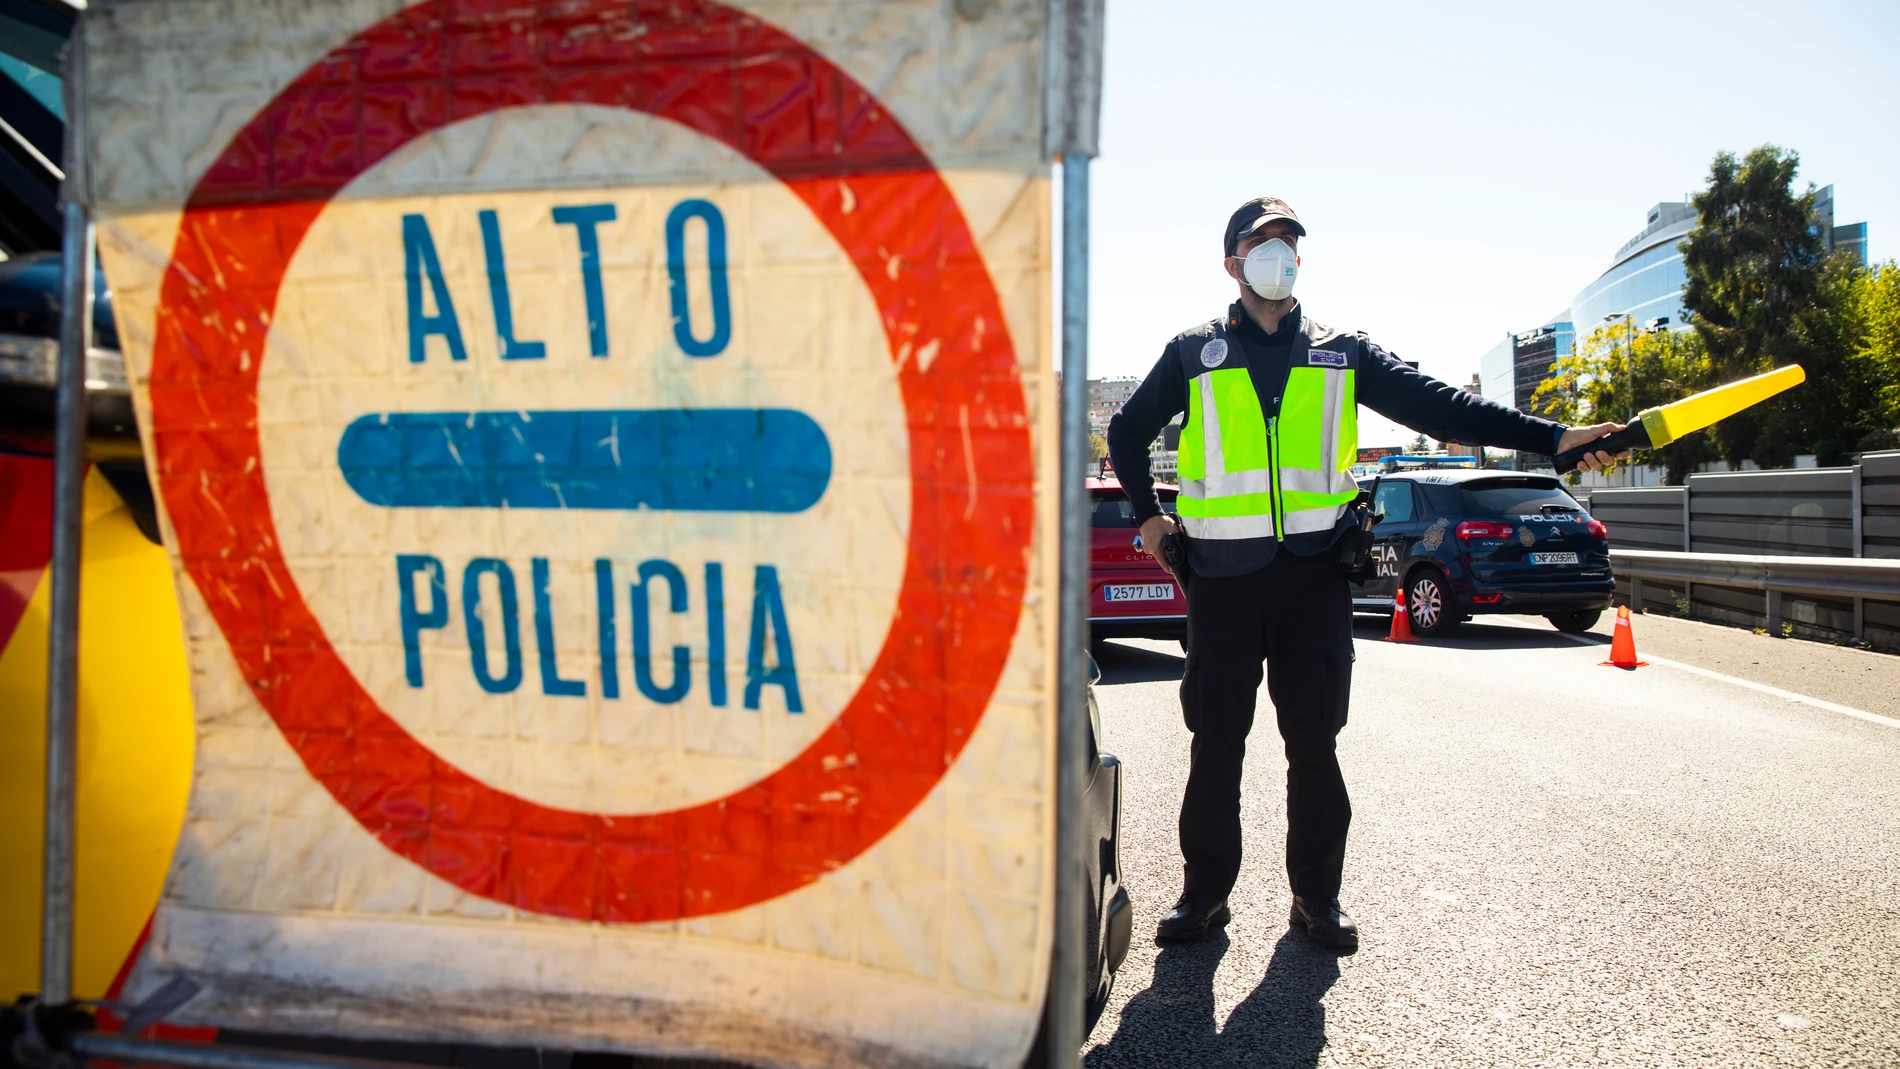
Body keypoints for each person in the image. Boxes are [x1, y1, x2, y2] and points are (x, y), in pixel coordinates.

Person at [1105, 197, 1623, 952]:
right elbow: (1125, 430)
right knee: (1216, 743)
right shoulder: (1194, 352)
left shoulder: (1341, 350)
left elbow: (1444, 408)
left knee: (1314, 743)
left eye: (1289, 242)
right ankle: (1204, 894)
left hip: (1314, 576)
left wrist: (1556, 438)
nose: (1278, 254)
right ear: (1232, 263)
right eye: (1263, 243)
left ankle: (1317, 897)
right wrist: (1149, 517)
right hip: (1221, 579)